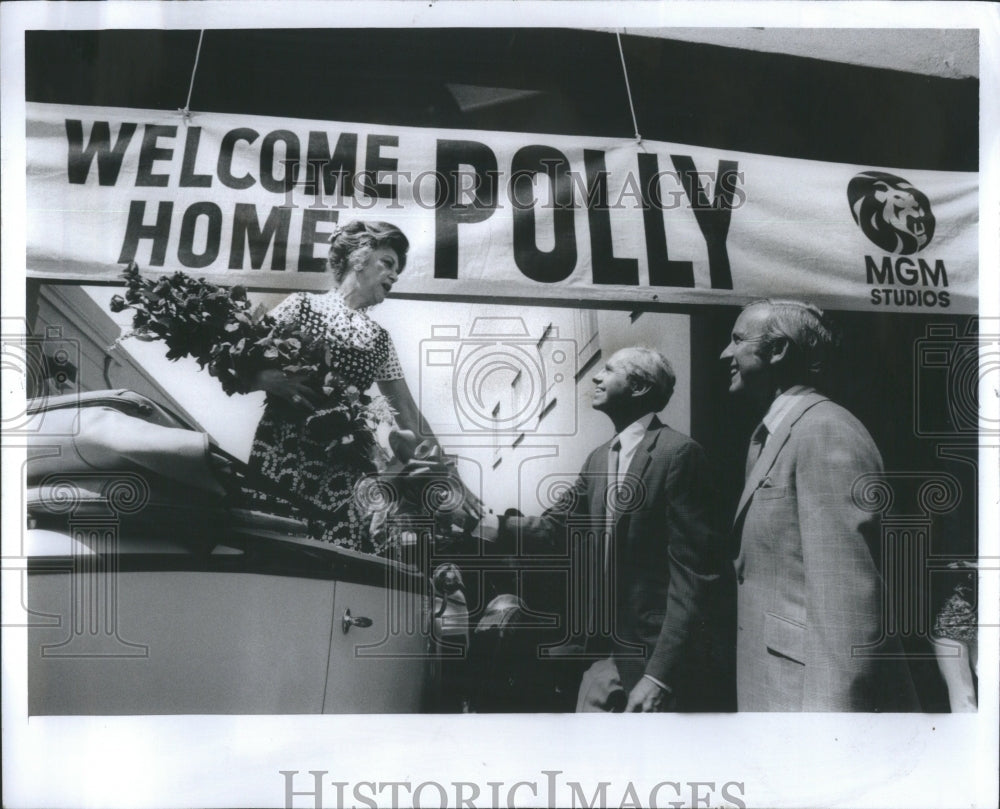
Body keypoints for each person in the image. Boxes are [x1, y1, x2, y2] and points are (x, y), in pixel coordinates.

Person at [476, 347, 733, 712]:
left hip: (652, 665)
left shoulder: (679, 454)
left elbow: (694, 577)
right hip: (600, 660)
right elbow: (553, 528)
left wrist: (660, 675)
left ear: (639, 387)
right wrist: (477, 522)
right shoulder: (598, 459)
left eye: (609, 370)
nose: (596, 377)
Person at [721, 299, 918, 711]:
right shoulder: (773, 435)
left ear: (779, 350)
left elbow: (847, 604)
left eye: (738, 340)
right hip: (777, 690)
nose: (726, 354)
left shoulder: (825, 431)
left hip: (806, 705)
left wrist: (832, 737)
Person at [243, 219, 435, 554]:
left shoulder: (380, 340)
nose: (394, 276)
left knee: (336, 561)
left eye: (397, 270)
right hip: (281, 453)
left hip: (344, 469)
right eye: (387, 263)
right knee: (272, 554)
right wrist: (264, 379)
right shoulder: (302, 305)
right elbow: (239, 361)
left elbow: (406, 411)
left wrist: (444, 469)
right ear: (359, 257)